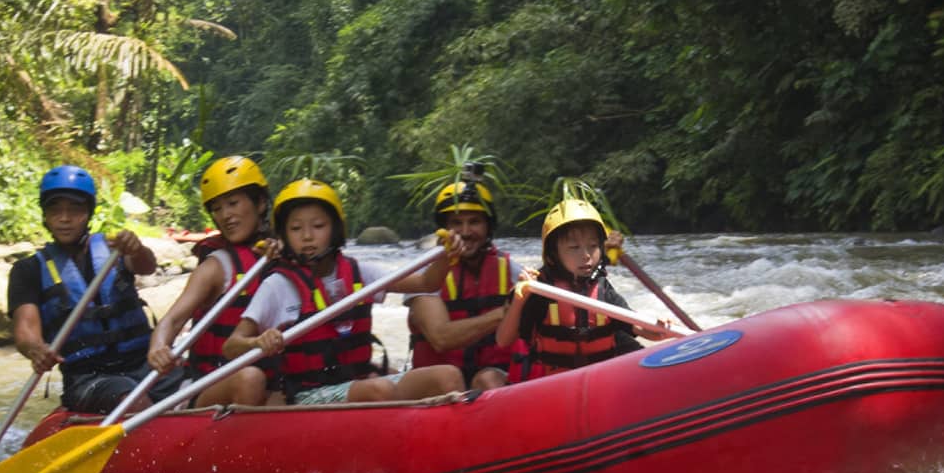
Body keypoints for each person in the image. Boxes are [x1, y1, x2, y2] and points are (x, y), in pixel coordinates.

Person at [229, 178, 469, 404]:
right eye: (295, 228)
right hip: (307, 394)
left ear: (335, 229)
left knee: (447, 376)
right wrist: (257, 342)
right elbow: (231, 346)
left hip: (359, 381)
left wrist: (446, 256)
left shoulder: (359, 272)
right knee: (378, 390)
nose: (307, 236)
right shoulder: (278, 285)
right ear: (285, 235)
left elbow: (427, 283)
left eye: (318, 226)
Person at [7, 165, 178, 415]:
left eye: (74, 209)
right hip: (87, 377)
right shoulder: (28, 270)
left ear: (88, 213)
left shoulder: (114, 249)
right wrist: (36, 349)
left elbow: (147, 266)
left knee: (194, 385)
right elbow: (25, 331)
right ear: (45, 215)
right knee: (129, 399)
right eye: (55, 209)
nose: (64, 218)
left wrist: (136, 249)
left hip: (143, 363)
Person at [146, 155, 279, 408]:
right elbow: (172, 320)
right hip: (206, 386)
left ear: (260, 203)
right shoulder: (215, 267)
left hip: (271, 382)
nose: (225, 215)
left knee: (286, 394)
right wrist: (158, 347)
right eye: (217, 208)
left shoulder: (283, 255)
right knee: (250, 379)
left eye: (233, 203)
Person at [495, 197, 642, 380]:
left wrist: (662, 326)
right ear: (552, 256)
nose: (586, 256)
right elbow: (503, 340)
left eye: (593, 246)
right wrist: (519, 301)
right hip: (553, 386)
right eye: (574, 247)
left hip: (600, 381)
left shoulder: (603, 289)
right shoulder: (541, 290)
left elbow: (640, 328)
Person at [405, 175, 515, 392]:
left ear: (488, 226)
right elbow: (441, 338)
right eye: (456, 223)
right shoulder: (422, 275)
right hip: (437, 386)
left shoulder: (512, 272)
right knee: (449, 377)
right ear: (444, 228)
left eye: (474, 222)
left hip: (490, 380)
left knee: (488, 380)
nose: (465, 232)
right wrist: (503, 314)